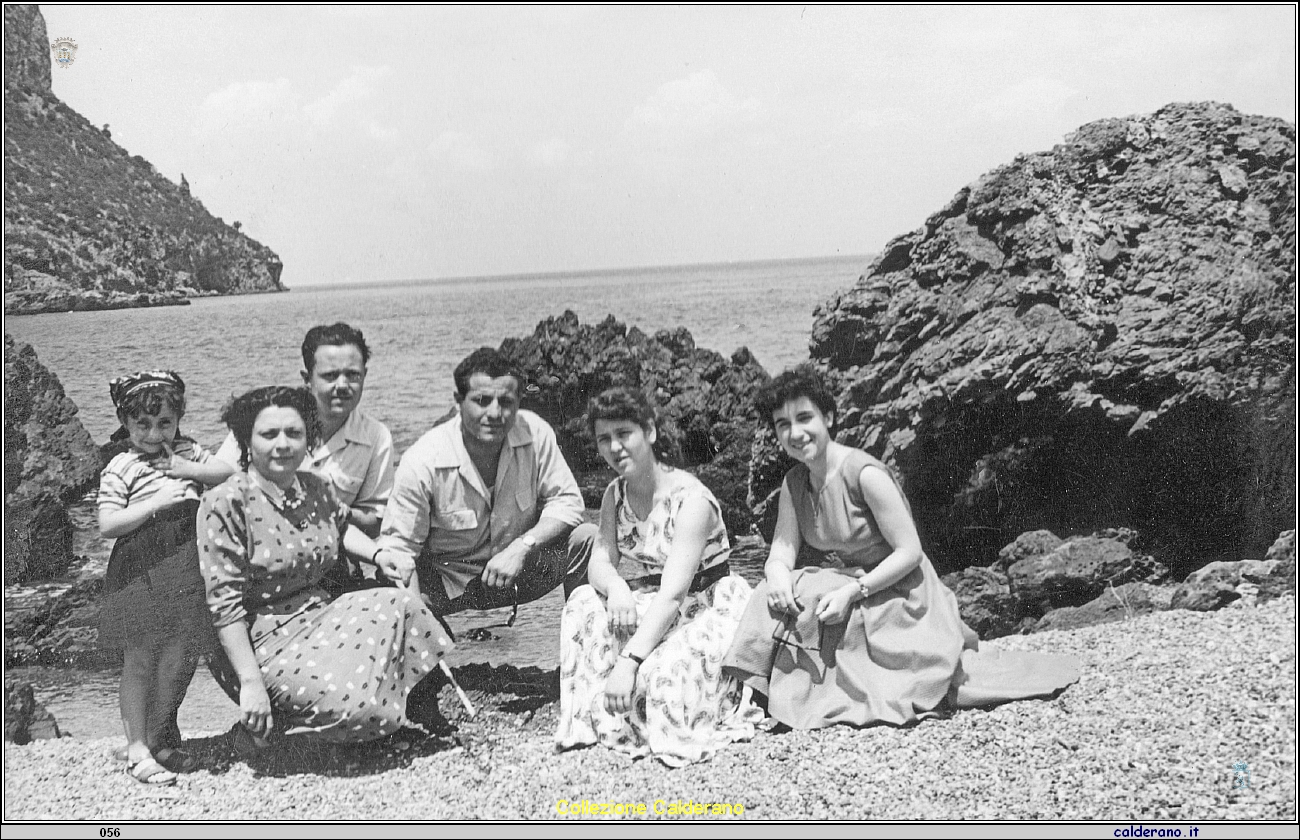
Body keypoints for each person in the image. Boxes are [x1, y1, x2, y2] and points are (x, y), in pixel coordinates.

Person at [724, 366, 1081, 729]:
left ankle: (796, 693)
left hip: (902, 589)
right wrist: (776, 575)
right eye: (783, 424)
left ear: (828, 417)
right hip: (858, 581)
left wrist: (853, 591)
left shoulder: (864, 474)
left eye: (804, 418)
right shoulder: (795, 482)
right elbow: (782, 552)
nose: (795, 433)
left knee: (825, 603)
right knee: (776, 590)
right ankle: (747, 694)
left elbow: (910, 552)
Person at [197, 386, 451, 753]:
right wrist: (250, 682)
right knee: (359, 711)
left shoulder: (315, 487)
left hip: (321, 614)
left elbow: (341, 527)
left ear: (309, 439)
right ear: (246, 442)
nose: (283, 444)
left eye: (294, 434)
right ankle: (287, 737)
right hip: (260, 639)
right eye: (269, 435)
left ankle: (382, 713)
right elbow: (224, 607)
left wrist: (379, 555)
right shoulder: (224, 502)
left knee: (404, 605)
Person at [554, 388, 759, 766]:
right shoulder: (616, 493)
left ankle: (647, 702)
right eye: (604, 439)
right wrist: (616, 587)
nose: (614, 447)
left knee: (657, 675)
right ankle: (587, 720)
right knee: (582, 601)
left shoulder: (691, 501)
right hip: (657, 598)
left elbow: (674, 594)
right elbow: (600, 559)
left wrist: (629, 661)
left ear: (648, 432)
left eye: (624, 434)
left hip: (706, 604)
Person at [378, 347, 594, 616]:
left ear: (519, 401)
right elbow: (399, 552)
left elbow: (569, 502)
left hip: (517, 573)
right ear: (459, 400)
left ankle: (582, 638)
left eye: (505, 402)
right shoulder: (422, 461)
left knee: (588, 538)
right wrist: (418, 627)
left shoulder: (535, 432)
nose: (494, 413)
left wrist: (522, 547)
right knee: (393, 588)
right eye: (481, 400)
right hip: (448, 586)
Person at [97, 371, 229, 785]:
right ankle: (137, 746)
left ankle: (160, 736)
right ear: (125, 420)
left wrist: (186, 466)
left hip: (186, 563)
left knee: (179, 655)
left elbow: (226, 472)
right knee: (140, 658)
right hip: (140, 569)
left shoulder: (187, 449)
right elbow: (107, 523)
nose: (154, 433)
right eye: (143, 425)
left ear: (179, 419)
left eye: (165, 423)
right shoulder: (122, 465)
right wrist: (155, 502)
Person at [213, 323, 395, 593]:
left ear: (365, 375)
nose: (342, 385)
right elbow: (218, 478)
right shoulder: (265, 420)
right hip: (256, 560)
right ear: (307, 378)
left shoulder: (376, 437)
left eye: (353, 375)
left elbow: (375, 520)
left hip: (328, 561)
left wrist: (322, 506)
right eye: (330, 375)